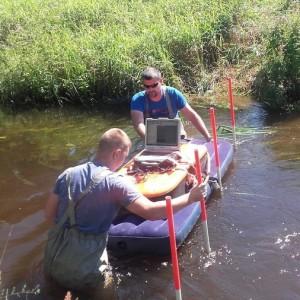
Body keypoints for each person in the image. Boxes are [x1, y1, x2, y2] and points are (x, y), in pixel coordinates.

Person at [45, 128, 206, 294]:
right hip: (87, 264)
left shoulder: (67, 174)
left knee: (58, 290)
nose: (123, 161)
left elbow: (49, 215)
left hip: (54, 256)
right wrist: (190, 198)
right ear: (116, 153)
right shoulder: (115, 183)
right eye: (124, 156)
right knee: (105, 291)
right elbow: (151, 212)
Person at [131, 67, 211, 141]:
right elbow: (139, 124)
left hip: (175, 132)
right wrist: (152, 141)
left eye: (154, 85)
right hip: (150, 135)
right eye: (147, 86)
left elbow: (192, 116)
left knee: (182, 142)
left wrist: (207, 137)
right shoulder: (137, 99)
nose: (151, 89)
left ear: (161, 81)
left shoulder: (173, 94)